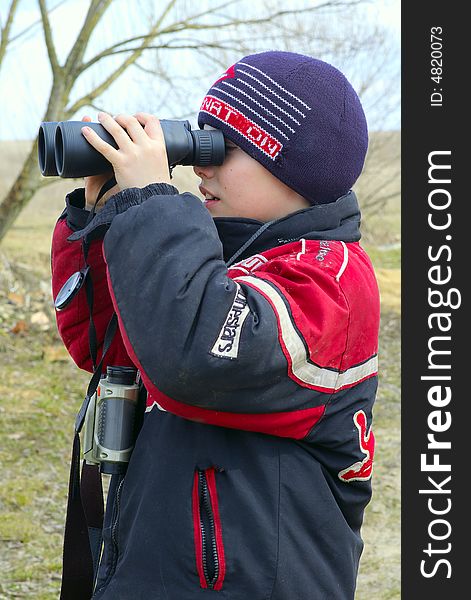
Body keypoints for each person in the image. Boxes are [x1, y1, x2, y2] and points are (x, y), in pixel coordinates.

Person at [51, 50, 380, 599]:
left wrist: (150, 205)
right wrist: (105, 215)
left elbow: (196, 356)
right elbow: (107, 345)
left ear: (295, 170)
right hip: (159, 569)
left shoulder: (333, 282)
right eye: (199, 141)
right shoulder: (215, 259)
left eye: (224, 149)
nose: (201, 165)